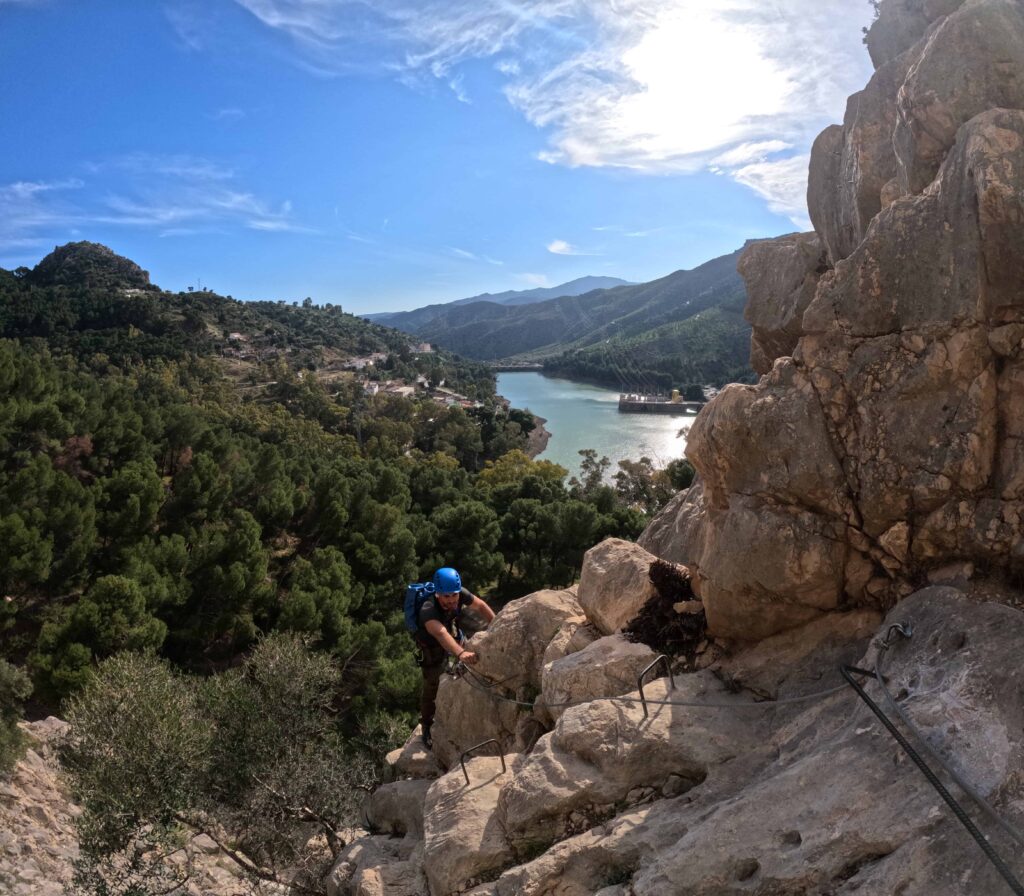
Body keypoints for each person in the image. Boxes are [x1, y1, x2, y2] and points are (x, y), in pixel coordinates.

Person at [416, 566, 495, 749]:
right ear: (437, 594)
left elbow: (481, 606)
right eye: (446, 596)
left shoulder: (459, 594)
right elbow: (441, 634)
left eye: (454, 595)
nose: (452, 600)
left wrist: (498, 623)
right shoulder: (428, 609)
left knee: (463, 659)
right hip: (431, 648)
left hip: (453, 634)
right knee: (432, 685)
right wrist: (460, 653)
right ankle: (426, 725)